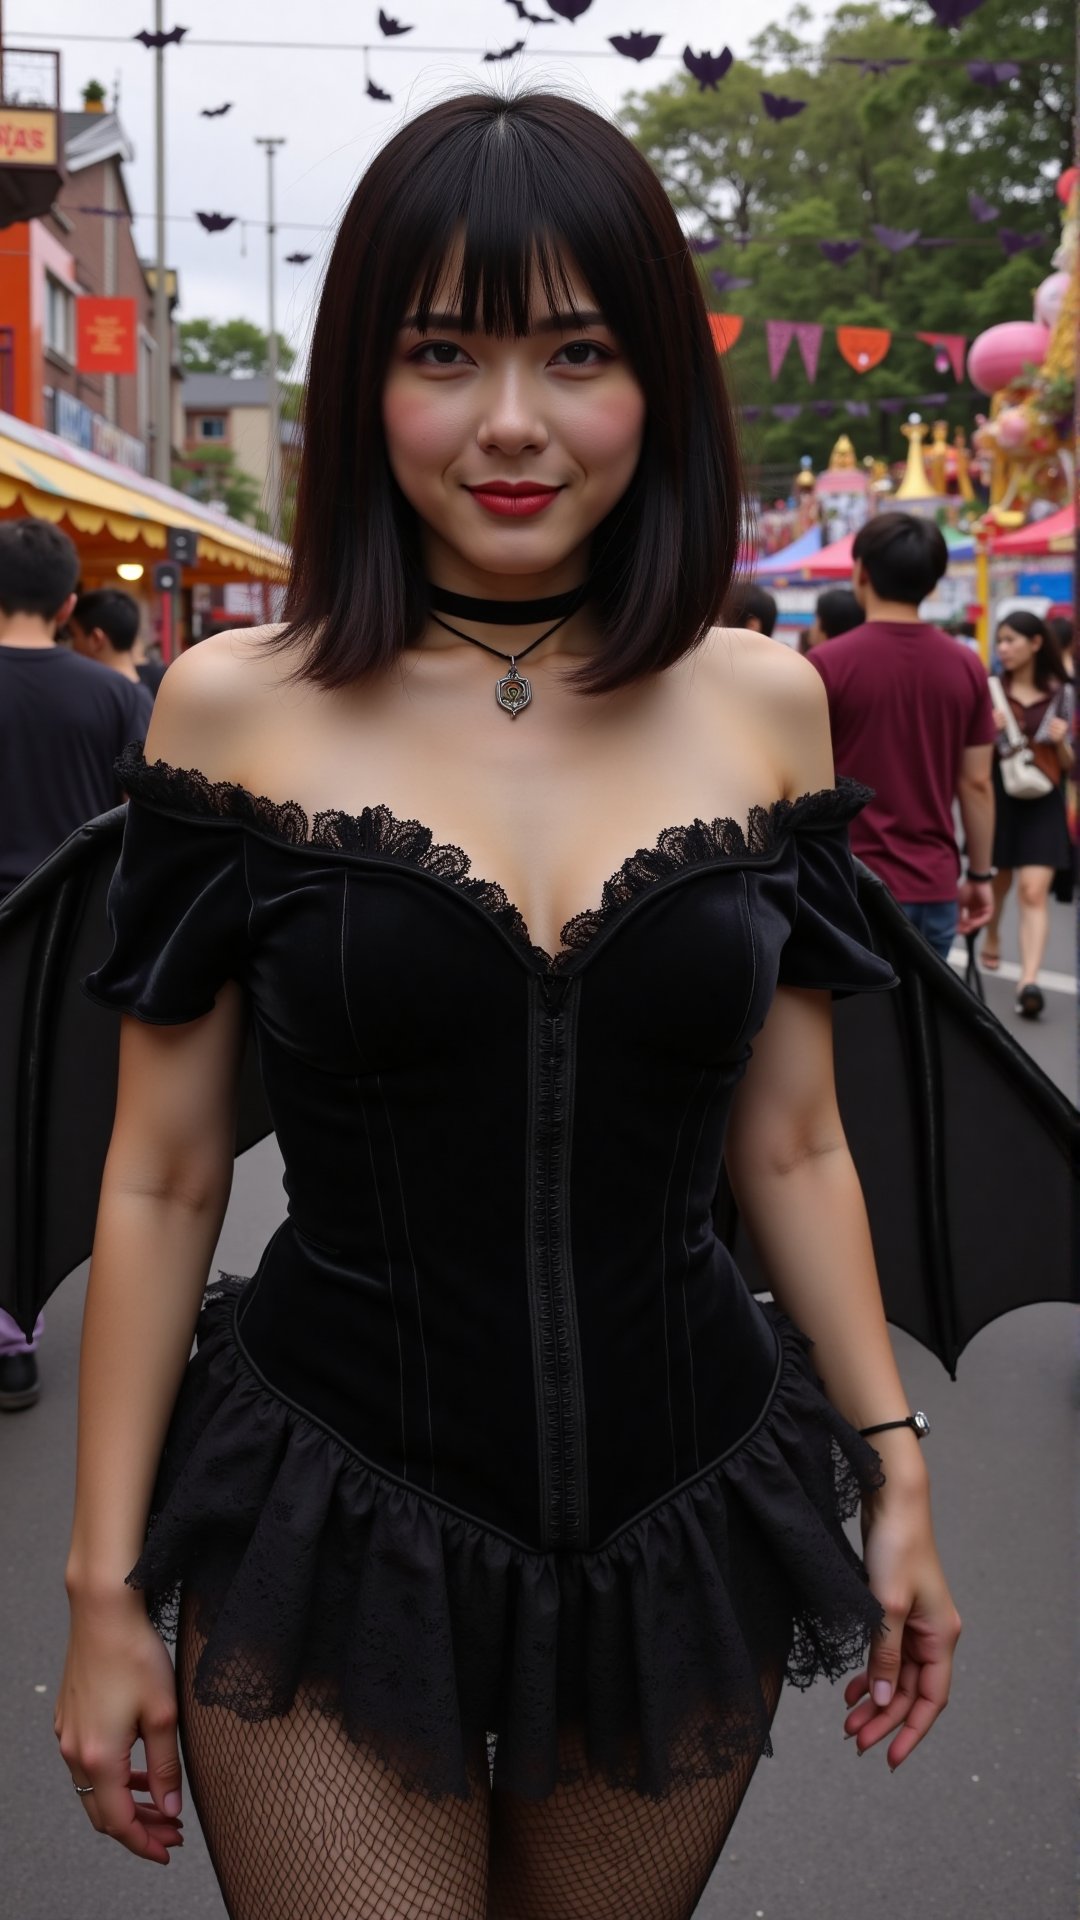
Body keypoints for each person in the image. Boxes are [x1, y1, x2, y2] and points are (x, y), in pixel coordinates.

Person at [56, 92, 960, 1920]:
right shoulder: (236, 704)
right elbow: (159, 1180)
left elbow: (790, 1140)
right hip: (326, 1506)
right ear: (362, 385)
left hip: (679, 1517)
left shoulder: (762, 702)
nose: (513, 425)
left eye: (578, 353)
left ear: (660, 387)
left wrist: (895, 1463)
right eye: (443, 354)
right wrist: (99, 1588)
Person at [0, 520, 152, 1412]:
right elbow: (143, 825)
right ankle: (16, 1330)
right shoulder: (112, 695)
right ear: (68, 604)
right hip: (61, 951)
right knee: (37, 1125)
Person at [809, 511, 996, 963]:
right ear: (933, 585)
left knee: (858, 1031)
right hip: (935, 885)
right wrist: (981, 874)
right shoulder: (966, 665)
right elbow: (976, 783)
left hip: (848, 884)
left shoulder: (825, 665)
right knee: (924, 1029)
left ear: (861, 572)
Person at [981, 612, 1075, 1017]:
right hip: (1000, 796)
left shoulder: (1063, 694)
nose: (1003, 648)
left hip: (1044, 798)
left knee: (1033, 891)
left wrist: (1062, 742)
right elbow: (972, 760)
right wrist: (988, 731)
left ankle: (1029, 981)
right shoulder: (989, 691)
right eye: (1000, 641)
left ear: (1036, 643)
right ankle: (993, 934)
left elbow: (1071, 764)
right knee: (999, 882)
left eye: (1011, 640)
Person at [68, 587, 165, 704]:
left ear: (96, 639)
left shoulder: (95, 700)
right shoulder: (154, 691)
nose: (71, 645)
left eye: (74, 635)